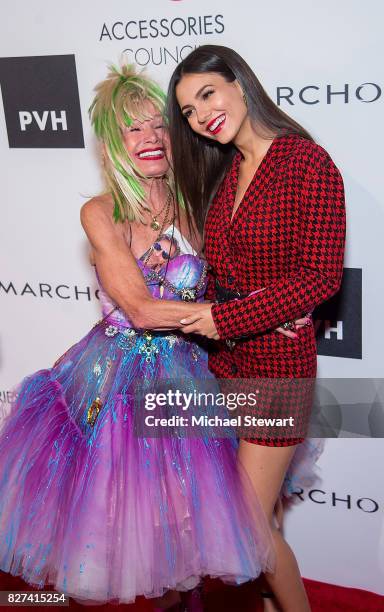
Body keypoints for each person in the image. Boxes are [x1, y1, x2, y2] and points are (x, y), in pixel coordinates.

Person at [0, 63, 277, 607]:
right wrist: (238, 314)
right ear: (111, 143)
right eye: (133, 128)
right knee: (112, 532)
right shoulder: (101, 212)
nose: (149, 138)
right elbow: (142, 310)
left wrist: (275, 307)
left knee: (189, 523)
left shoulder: (203, 201)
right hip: (115, 384)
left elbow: (241, 276)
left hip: (194, 375)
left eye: (159, 125)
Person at [167, 45, 346, 612]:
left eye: (207, 95)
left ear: (240, 84)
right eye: (189, 111)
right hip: (227, 369)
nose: (200, 117)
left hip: (278, 369)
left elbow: (319, 277)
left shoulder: (304, 162)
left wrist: (227, 317)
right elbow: (226, 275)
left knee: (246, 525)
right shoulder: (228, 174)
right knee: (262, 515)